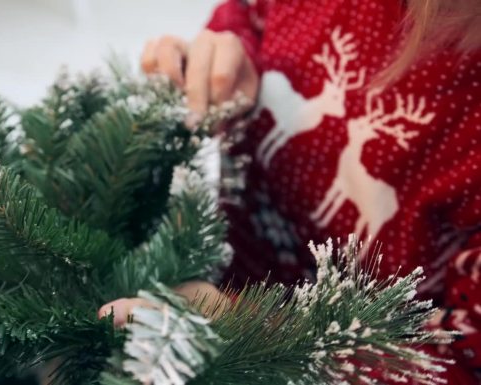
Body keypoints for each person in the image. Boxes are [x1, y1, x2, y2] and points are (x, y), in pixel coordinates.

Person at [98, 0, 481, 383]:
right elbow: (249, 13)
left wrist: (254, 328)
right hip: (222, 264)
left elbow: (460, 362)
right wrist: (223, 55)